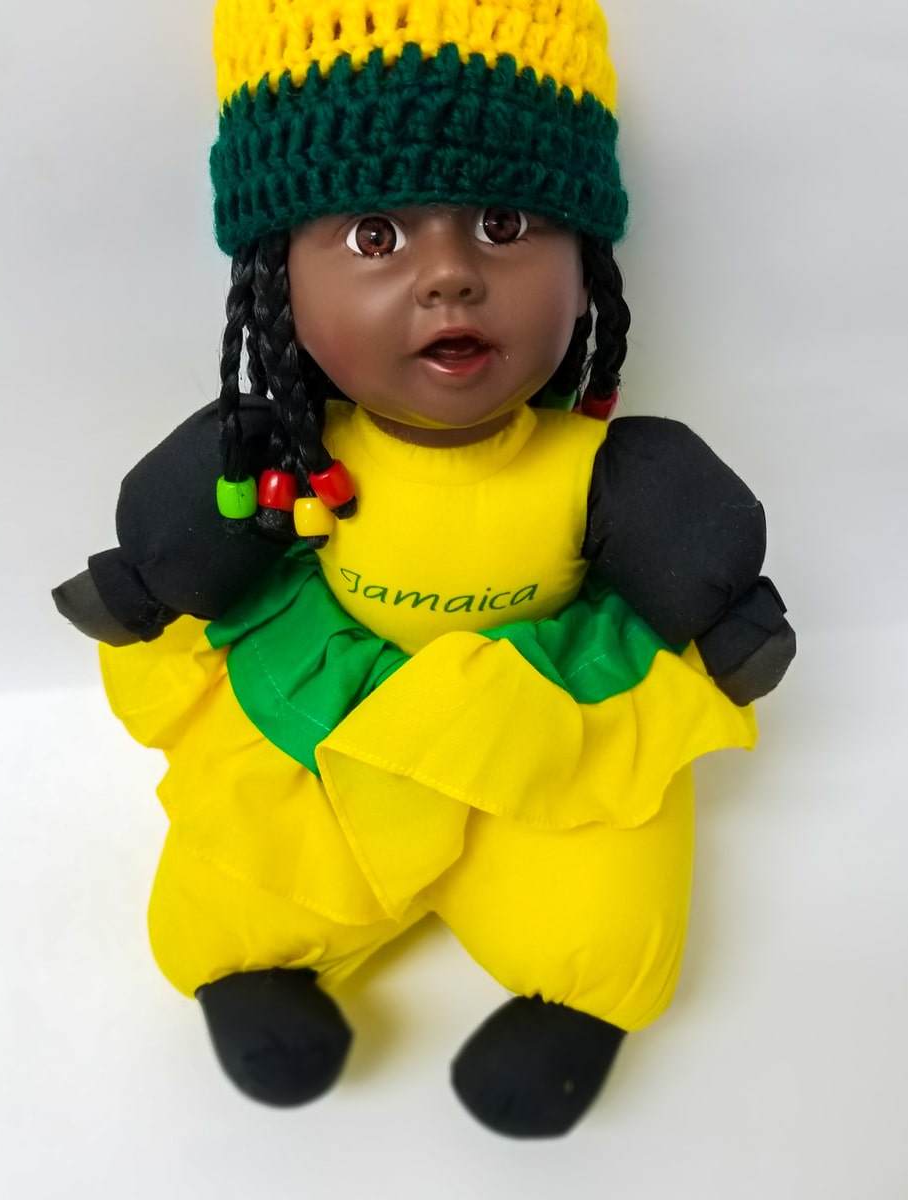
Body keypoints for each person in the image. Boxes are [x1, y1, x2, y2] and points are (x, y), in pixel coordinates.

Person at [53, 0, 795, 1138]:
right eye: (373, 236)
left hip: (536, 722)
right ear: (277, 275)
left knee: (611, 868)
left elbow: (687, 549)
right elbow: (190, 531)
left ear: (587, 260)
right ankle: (251, 972)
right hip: (334, 720)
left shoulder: (602, 470)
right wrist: (151, 579)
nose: (449, 275)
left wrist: (726, 618)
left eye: (503, 222)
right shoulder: (289, 460)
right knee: (246, 855)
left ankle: (578, 1001)